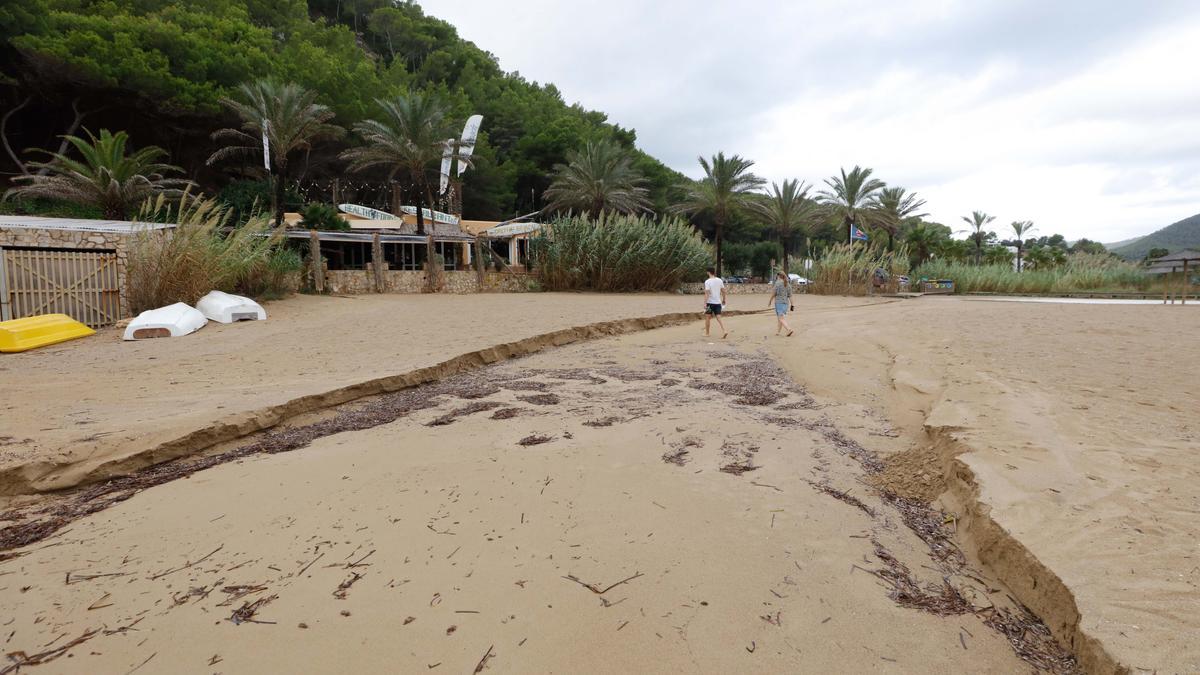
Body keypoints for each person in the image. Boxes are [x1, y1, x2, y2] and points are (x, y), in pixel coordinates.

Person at [702, 267, 728, 338]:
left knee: (707, 317)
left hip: (710, 303)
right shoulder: (719, 280)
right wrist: (724, 299)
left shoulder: (707, 282)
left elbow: (707, 293)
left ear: (708, 272)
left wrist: (705, 303)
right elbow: (723, 291)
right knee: (719, 317)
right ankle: (724, 330)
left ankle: (707, 333)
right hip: (718, 302)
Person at [769, 271, 794, 336]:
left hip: (779, 303)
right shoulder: (788, 284)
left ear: (778, 276)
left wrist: (770, 301)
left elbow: (774, 293)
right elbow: (790, 295)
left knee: (781, 318)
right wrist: (792, 305)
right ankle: (778, 332)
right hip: (786, 304)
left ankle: (789, 329)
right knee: (780, 318)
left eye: (776, 276)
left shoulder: (777, 283)